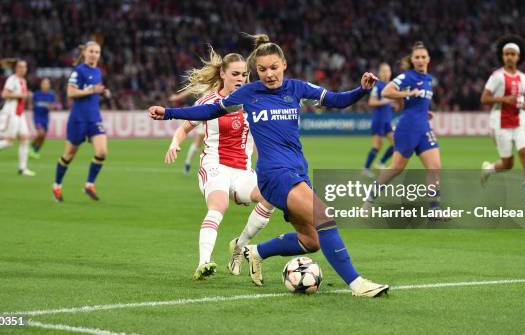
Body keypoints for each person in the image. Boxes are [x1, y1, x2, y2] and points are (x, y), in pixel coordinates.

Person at [149, 34, 388, 297]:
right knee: (324, 217)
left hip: (298, 171)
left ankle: (257, 251)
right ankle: (357, 284)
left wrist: (362, 90)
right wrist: (169, 113)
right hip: (274, 175)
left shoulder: (297, 89)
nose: (269, 74)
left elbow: (336, 100)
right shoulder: (248, 94)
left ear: (284, 64)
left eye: (274, 67)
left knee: (311, 242)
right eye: (262, 70)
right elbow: (209, 111)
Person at [164, 47, 275, 280]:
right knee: (219, 206)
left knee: (270, 196)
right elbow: (185, 127)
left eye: (244, 74)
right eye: (235, 74)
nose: (241, 79)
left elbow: (258, 139)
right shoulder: (210, 101)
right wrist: (175, 143)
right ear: (223, 74)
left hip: (242, 170)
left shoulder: (253, 101)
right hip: (215, 166)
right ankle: (204, 262)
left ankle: (240, 245)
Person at [372, 42, 441, 210]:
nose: (420, 60)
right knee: (396, 168)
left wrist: (424, 112)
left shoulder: (428, 79)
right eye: (417, 57)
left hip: (424, 127)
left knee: (435, 167)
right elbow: (386, 91)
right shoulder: (408, 77)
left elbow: (410, 104)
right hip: (408, 128)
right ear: (412, 60)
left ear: (428, 59)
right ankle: (370, 199)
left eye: (423, 57)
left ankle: (434, 208)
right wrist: (407, 93)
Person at [480, 35, 525, 207]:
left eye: (513, 54)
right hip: (500, 122)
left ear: (518, 57)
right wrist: (505, 99)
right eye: (506, 54)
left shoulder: (524, 78)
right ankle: (488, 169)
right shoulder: (496, 76)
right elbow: (484, 98)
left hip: (520, 121)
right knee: (508, 163)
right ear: (503, 56)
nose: (510, 57)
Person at [52, 41, 111, 202]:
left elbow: (94, 92)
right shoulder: (78, 71)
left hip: (94, 118)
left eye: (97, 52)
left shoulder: (98, 72)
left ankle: (89, 184)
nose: (94, 54)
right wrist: (92, 90)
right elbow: (70, 93)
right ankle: (57, 185)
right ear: (84, 53)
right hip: (78, 119)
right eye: (91, 51)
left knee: (102, 152)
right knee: (69, 155)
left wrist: (103, 93)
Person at [363, 62, 396, 176]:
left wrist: (393, 105)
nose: (387, 73)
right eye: (384, 71)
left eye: (388, 71)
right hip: (378, 120)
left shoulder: (389, 86)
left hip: (387, 120)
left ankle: (380, 163)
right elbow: (371, 102)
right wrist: (388, 101)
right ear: (380, 73)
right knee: (377, 145)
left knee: (396, 143)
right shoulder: (378, 86)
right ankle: (366, 168)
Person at [168, 89, 205, 175]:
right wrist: (178, 97)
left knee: (209, 143)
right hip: (203, 112)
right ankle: (188, 163)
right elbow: (191, 89)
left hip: (215, 114)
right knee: (199, 142)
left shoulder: (223, 83)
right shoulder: (209, 81)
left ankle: (207, 167)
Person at [29, 78, 56, 159]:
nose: (45, 85)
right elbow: (31, 105)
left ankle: (35, 150)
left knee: (43, 136)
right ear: (41, 85)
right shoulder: (36, 94)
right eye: (44, 83)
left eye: (47, 83)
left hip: (45, 118)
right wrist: (31, 106)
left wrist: (50, 107)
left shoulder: (51, 95)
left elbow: (53, 106)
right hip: (37, 117)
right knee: (41, 133)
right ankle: (31, 146)